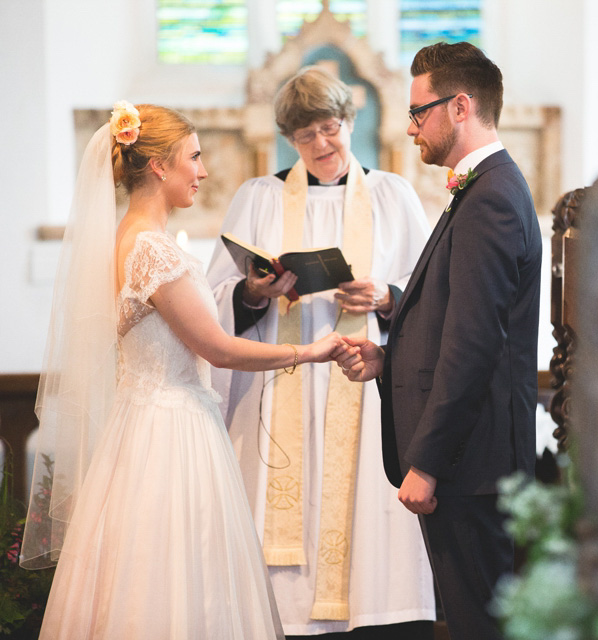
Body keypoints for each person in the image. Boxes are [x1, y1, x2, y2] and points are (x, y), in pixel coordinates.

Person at [21, 102, 347, 639]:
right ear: (159, 167)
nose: (202, 171)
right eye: (193, 158)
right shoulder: (152, 250)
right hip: (171, 432)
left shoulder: (128, 239)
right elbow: (217, 349)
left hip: (144, 423)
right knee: (178, 578)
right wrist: (309, 352)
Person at [206, 67, 435, 638]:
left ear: (352, 122)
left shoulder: (392, 194)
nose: (321, 145)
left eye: (330, 129)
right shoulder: (257, 198)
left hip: (364, 386)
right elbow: (213, 298)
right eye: (305, 136)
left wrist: (387, 296)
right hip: (282, 388)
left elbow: (433, 297)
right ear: (289, 138)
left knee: (368, 534)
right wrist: (253, 292)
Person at [335, 42, 542, 640]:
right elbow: (452, 316)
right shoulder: (480, 191)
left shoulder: (493, 197)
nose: (409, 126)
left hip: (469, 464)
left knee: (481, 623)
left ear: (460, 106)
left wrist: (426, 462)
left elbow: (474, 344)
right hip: (468, 460)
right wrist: (388, 355)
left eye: (418, 111)